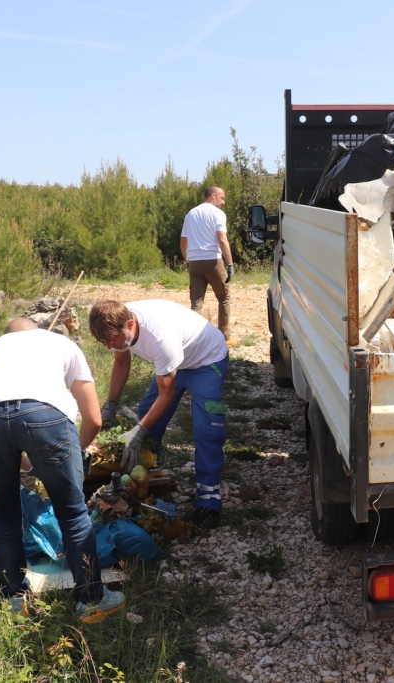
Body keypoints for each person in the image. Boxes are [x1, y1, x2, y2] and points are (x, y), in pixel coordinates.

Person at [0, 318, 126, 623]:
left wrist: (33, 465)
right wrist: (73, 455)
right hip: (43, 415)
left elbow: (7, 425)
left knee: (2, 509)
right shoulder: (62, 343)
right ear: (38, 329)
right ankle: (92, 599)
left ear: (8, 333)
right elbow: (94, 418)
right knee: (72, 510)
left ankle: (12, 599)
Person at [88, 299, 228, 530]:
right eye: (105, 341)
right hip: (174, 360)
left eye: (112, 340)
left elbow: (167, 395)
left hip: (206, 360)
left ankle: (208, 501)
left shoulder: (160, 338)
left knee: (207, 427)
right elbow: (122, 362)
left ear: (130, 325)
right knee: (147, 414)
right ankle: (150, 482)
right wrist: (110, 406)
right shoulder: (118, 323)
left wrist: (138, 431)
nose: (109, 346)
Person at [181, 185, 235, 344]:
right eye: (222, 198)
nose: (223, 202)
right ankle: (224, 337)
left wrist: (187, 259)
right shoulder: (218, 214)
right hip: (213, 261)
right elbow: (222, 239)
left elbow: (183, 242)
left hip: (195, 263)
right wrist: (230, 263)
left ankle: (193, 339)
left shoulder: (190, 214)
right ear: (213, 196)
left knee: (196, 302)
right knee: (224, 297)